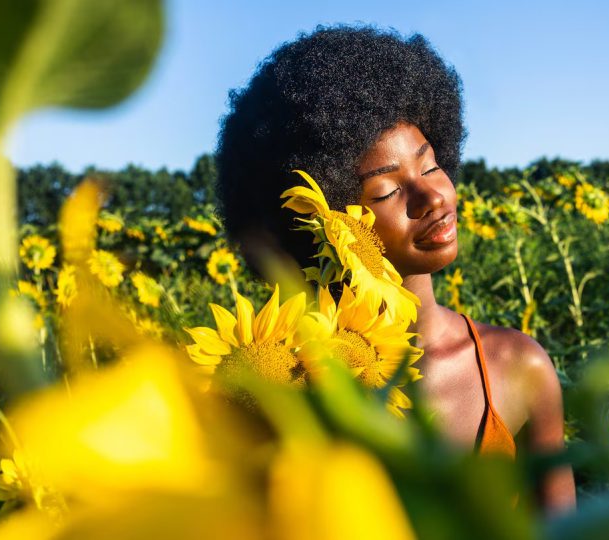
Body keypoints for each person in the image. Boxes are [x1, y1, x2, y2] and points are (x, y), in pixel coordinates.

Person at [215, 24, 576, 514]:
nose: (432, 196)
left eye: (429, 166)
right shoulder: (287, 389)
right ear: (325, 222)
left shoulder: (518, 366)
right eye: (386, 192)